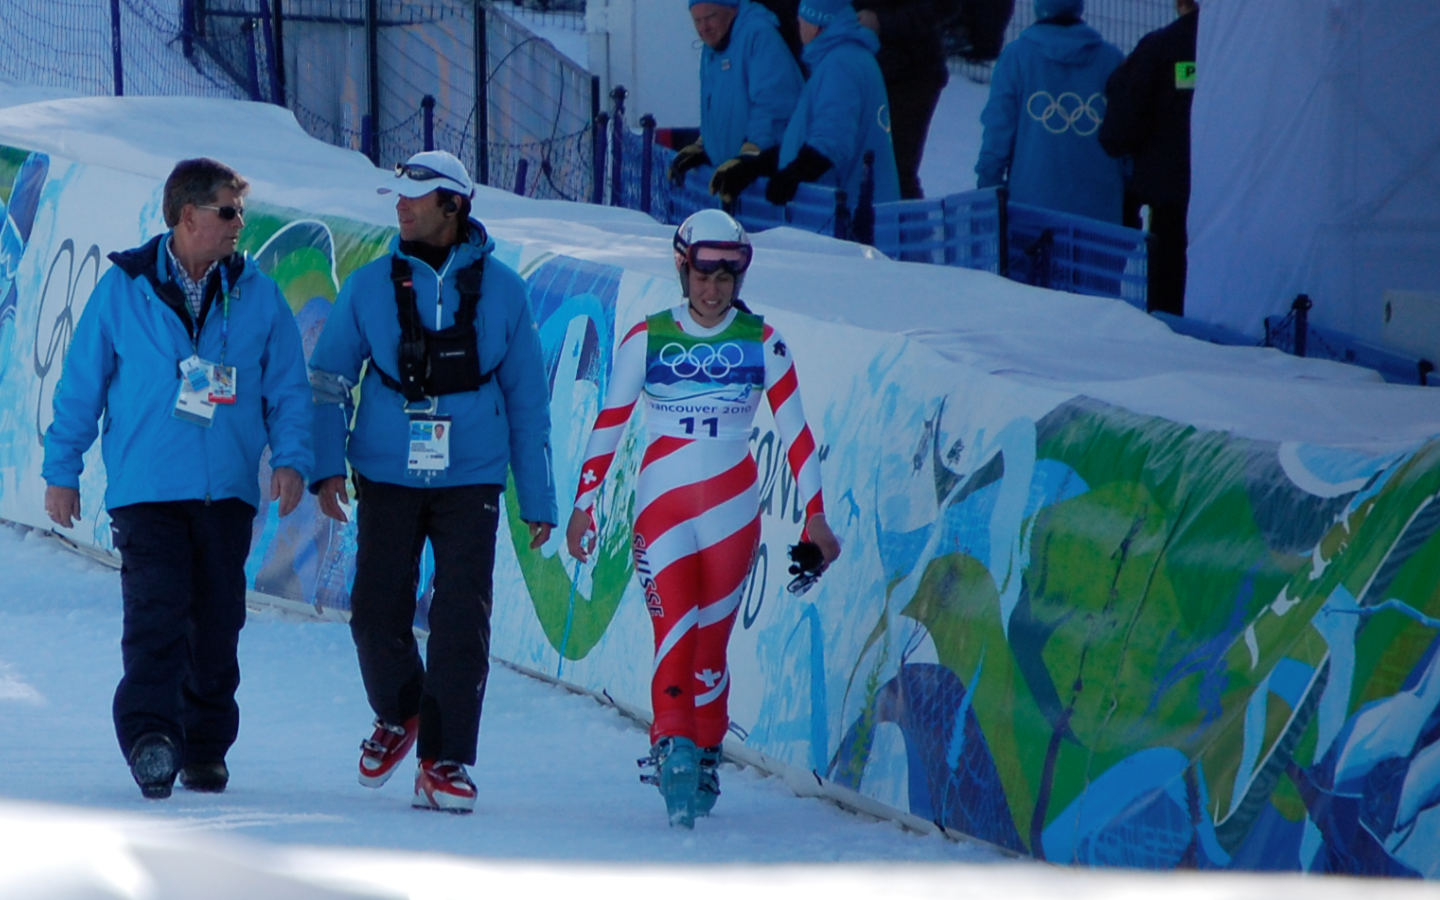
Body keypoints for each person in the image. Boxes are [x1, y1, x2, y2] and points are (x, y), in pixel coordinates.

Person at [41, 157, 313, 800]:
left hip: (227, 495)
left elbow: (288, 389)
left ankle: (206, 745)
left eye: (240, 212)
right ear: (188, 216)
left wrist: (294, 459)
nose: (238, 224)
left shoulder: (258, 294)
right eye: (228, 211)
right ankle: (151, 738)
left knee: (218, 626)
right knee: (157, 617)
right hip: (148, 492)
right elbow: (81, 387)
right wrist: (62, 471)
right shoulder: (123, 289)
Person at [564, 209, 841, 828]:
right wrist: (583, 506)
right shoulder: (648, 336)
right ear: (681, 270)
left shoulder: (763, 340)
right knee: (675, 632)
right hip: (663, 505)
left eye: (726, 277)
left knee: (710, 644)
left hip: (732, 510)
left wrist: (815, 518)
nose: (712, 290)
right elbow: (610, 423)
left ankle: (706, 748)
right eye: (701, 276)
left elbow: (797, 436)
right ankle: (672, 743)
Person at [308, 150, 557, 815]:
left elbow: (529, 402)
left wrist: (538, 498)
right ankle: (400, 710)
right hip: (387, 470)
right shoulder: (367, 286)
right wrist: (326, 465)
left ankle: (444, 759)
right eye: (397, 198)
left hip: (472, 475)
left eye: (414, 199)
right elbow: (328, 383)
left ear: (454, 206)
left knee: (461, 616)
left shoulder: (505, 290)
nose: (400, 207)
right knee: (374, 611)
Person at [975, 0, 1125, 223]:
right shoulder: (1112, 60)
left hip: (1031, 210)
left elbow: (998, 127)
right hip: (1099, 212)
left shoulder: (1017, 57)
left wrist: (989, 184)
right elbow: (1127, 132)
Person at [1099, 0, 1199, 315]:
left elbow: (1117, 131)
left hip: (1171, 198)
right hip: (1238, 200)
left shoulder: (1161, 47)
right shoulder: (1251, 49)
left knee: (1169, 299)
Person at [667, 0, 805, 205]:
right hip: (733, 184)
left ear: (732, 10)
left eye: (710, 17)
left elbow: (773, 106)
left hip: (765, 189)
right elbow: (717, 106)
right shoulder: (713, 46)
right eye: (697, 20)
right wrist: (705, 145)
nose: (704, 28)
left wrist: (752, 156)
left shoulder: (759, 36)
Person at [766, 0, 901, 208]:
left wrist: (793, 174)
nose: (797, 25)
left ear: (815, 25)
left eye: (800, 20)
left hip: (848, 218)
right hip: (859, 211)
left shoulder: (840, 64)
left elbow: (833, 140)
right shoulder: (849, 57)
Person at [853, 0, 958, 199]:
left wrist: (882, 22)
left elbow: (945, 6)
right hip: (861, 62)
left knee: (896, 171)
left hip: (911, 72)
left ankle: (911, 227)